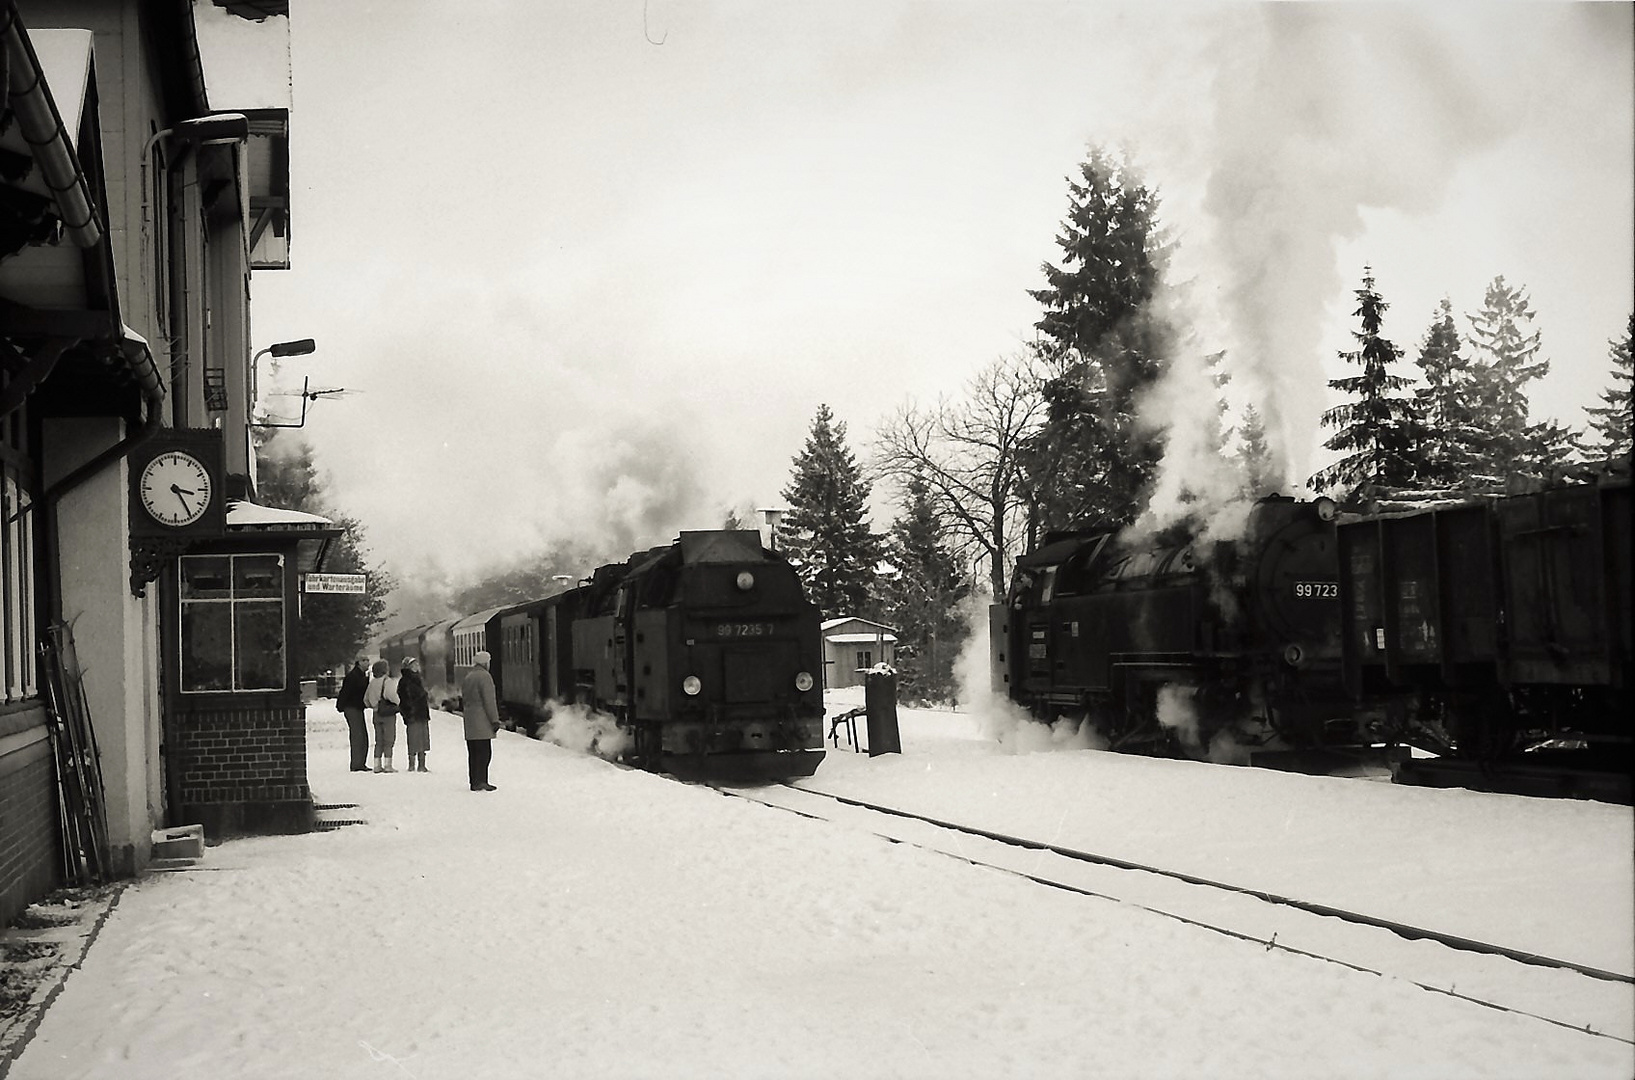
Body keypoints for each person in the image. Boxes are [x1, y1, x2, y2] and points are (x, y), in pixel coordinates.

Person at [461, 651, 500, 792]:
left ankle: (474, 781)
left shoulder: (469, 676)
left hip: (470, 720)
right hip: (482, 720)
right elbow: (489, 700)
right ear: (485, 663)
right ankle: (482, 780)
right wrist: (494, 720)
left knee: (473, 752)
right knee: (484, 752)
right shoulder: (485, 677)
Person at [363, 659, 401, 773]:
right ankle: (388, 765)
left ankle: (377, 765)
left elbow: (365, 700)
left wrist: (374, 705)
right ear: (385, 670)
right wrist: (399, 703)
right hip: (387, 715)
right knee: (389, 740)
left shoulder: (372, 682)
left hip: (376, 714)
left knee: (378, 740)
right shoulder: (387, 681)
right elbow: (391, 696)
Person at [336, 659, 371, 772]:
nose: (368, 663)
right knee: (358, 735)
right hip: (352, 707)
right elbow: (348, 692)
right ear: (359, 663)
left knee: (361, 735)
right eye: (365, 660)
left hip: (355, 707)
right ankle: (357, 763)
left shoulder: (358, 676)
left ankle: (359, 762)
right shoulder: (354, 677)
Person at [399, 656, 432, 773]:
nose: (416, 667)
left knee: (423, 739)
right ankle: (412, 764)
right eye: (413, 665)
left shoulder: (418, 679)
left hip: (421, 713)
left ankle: (422, 764)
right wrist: (409, 712)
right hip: (413, 714)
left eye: (417, 665)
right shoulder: (405, 681)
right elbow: (405, 699)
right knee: (413, 739)